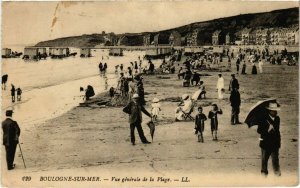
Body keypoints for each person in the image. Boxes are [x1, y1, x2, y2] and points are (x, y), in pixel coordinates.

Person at [257, 102, 281, 176]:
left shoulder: (277, 118)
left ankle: (277, 173)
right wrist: (267, 129)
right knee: (264, 159)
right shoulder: (263, 119)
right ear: (270, 111)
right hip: (265, 143)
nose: (275, 112)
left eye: (276, 110)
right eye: (274, 111)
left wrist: (278, 142)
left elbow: (277, 130)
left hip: (275, 143)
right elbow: (259, 130)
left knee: (275, 159)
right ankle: (264, 173)